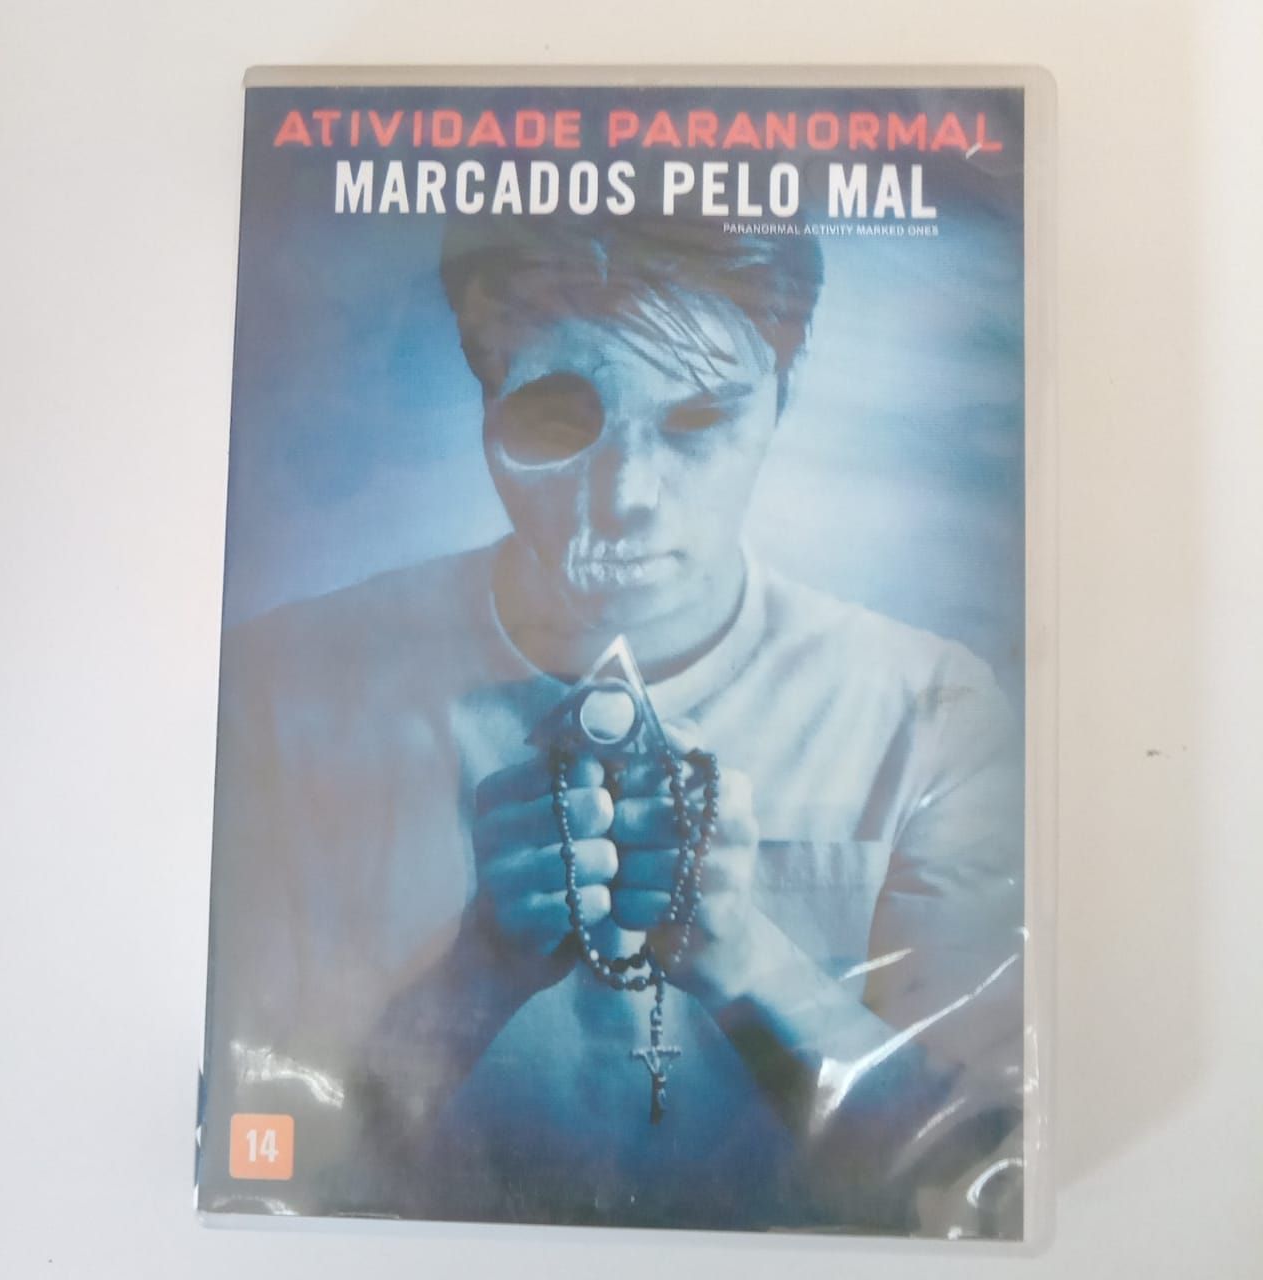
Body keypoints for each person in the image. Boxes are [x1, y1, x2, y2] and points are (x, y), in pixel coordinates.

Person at [203, 215, 1024, 1235]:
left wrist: (750, 962)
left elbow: (986, 1188)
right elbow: (261, 1154)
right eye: (557, 418)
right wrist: (473, 976)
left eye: (698, 420)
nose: (628, 498)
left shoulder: (930, 711)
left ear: (783, 401)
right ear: (484, 404)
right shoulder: (283, 695)